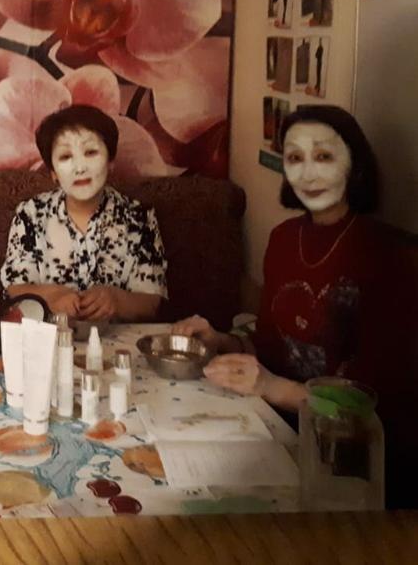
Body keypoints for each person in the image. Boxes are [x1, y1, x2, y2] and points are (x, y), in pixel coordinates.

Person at [173, 105, 417, 508]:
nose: (308, 173)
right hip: (281, 429)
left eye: (323, 156)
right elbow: (271, 348)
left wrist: (272, 387)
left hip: (353, 463)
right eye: (295, 158)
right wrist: (220, 341)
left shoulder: (386, 256)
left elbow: (371, 405)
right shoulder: (285, 238)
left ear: (354, 165)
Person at [0, 105, 168, 321]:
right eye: (65, 156)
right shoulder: (30, 214)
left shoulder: (140, 217)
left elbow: (152, 302)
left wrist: (116, 300)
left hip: (117, 338)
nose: (80, 168)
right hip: (49, 337)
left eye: (90, 152)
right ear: (53, 173)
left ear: (110, 161)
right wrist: (52, 297)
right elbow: (14, 288)